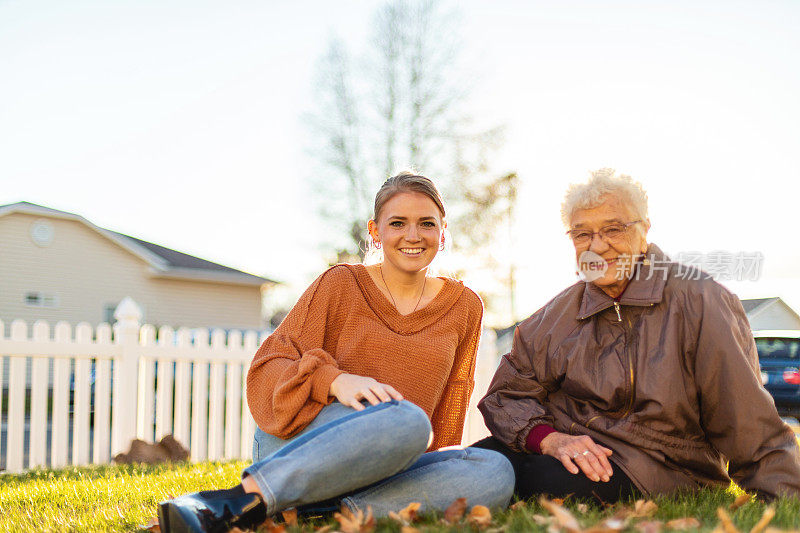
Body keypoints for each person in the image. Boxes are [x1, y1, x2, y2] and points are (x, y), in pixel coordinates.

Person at [158, 172, 514, 533]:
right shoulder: (340, 283)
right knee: (407, 420)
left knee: (495, 469)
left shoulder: (465, 306)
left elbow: (451, 404)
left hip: (390, 457)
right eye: (397, 223)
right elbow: (267, 368)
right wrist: (335, 381)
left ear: (442, 230)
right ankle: (236, 500)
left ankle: (324, 510)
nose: (413, 235)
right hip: (300, 444)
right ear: (375, 232)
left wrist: (428, 469)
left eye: (426, 223)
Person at [474, 168, 800, 503]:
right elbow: (506, 397)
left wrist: (781, 501)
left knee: (538, 482)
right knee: (477, 463)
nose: (597, 246)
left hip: (663, 463)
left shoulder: (700, 299)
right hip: (567, 447)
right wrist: (550, 440)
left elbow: (744, 415)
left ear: (644, 229)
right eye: (582, 234)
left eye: (613, 229)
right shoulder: (555, 317)